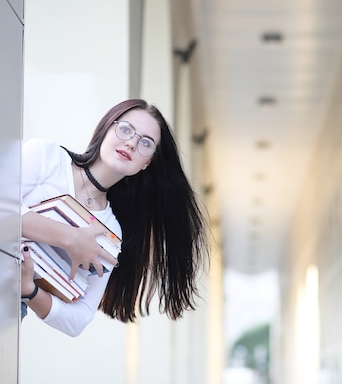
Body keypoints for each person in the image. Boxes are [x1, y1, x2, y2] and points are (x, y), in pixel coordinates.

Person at [19, 99, 209, 337]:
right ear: (106, 127)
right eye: (126, 129)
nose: (131, 143)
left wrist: (30, 291)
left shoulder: (110, 231)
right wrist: (71, 238)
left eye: (145, 143)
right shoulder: (47, 157)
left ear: (147, 163)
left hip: (10, 305)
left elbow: (79, 319)